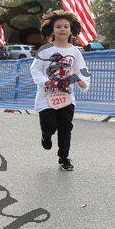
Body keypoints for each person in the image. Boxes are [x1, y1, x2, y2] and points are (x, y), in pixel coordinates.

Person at [30, 10, 90, 171]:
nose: (62, 29)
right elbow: (35, 70)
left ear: (71, 30)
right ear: (52, 30)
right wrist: (45, 81)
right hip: (46, 98)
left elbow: (82, 69)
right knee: (50, 126)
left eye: (66, 26)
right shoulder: (45, 50)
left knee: (65, 128)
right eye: (58, 26)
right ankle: (46, 135)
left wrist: (83, 81)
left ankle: (64, 157)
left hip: (66, 97)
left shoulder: (75, 51)